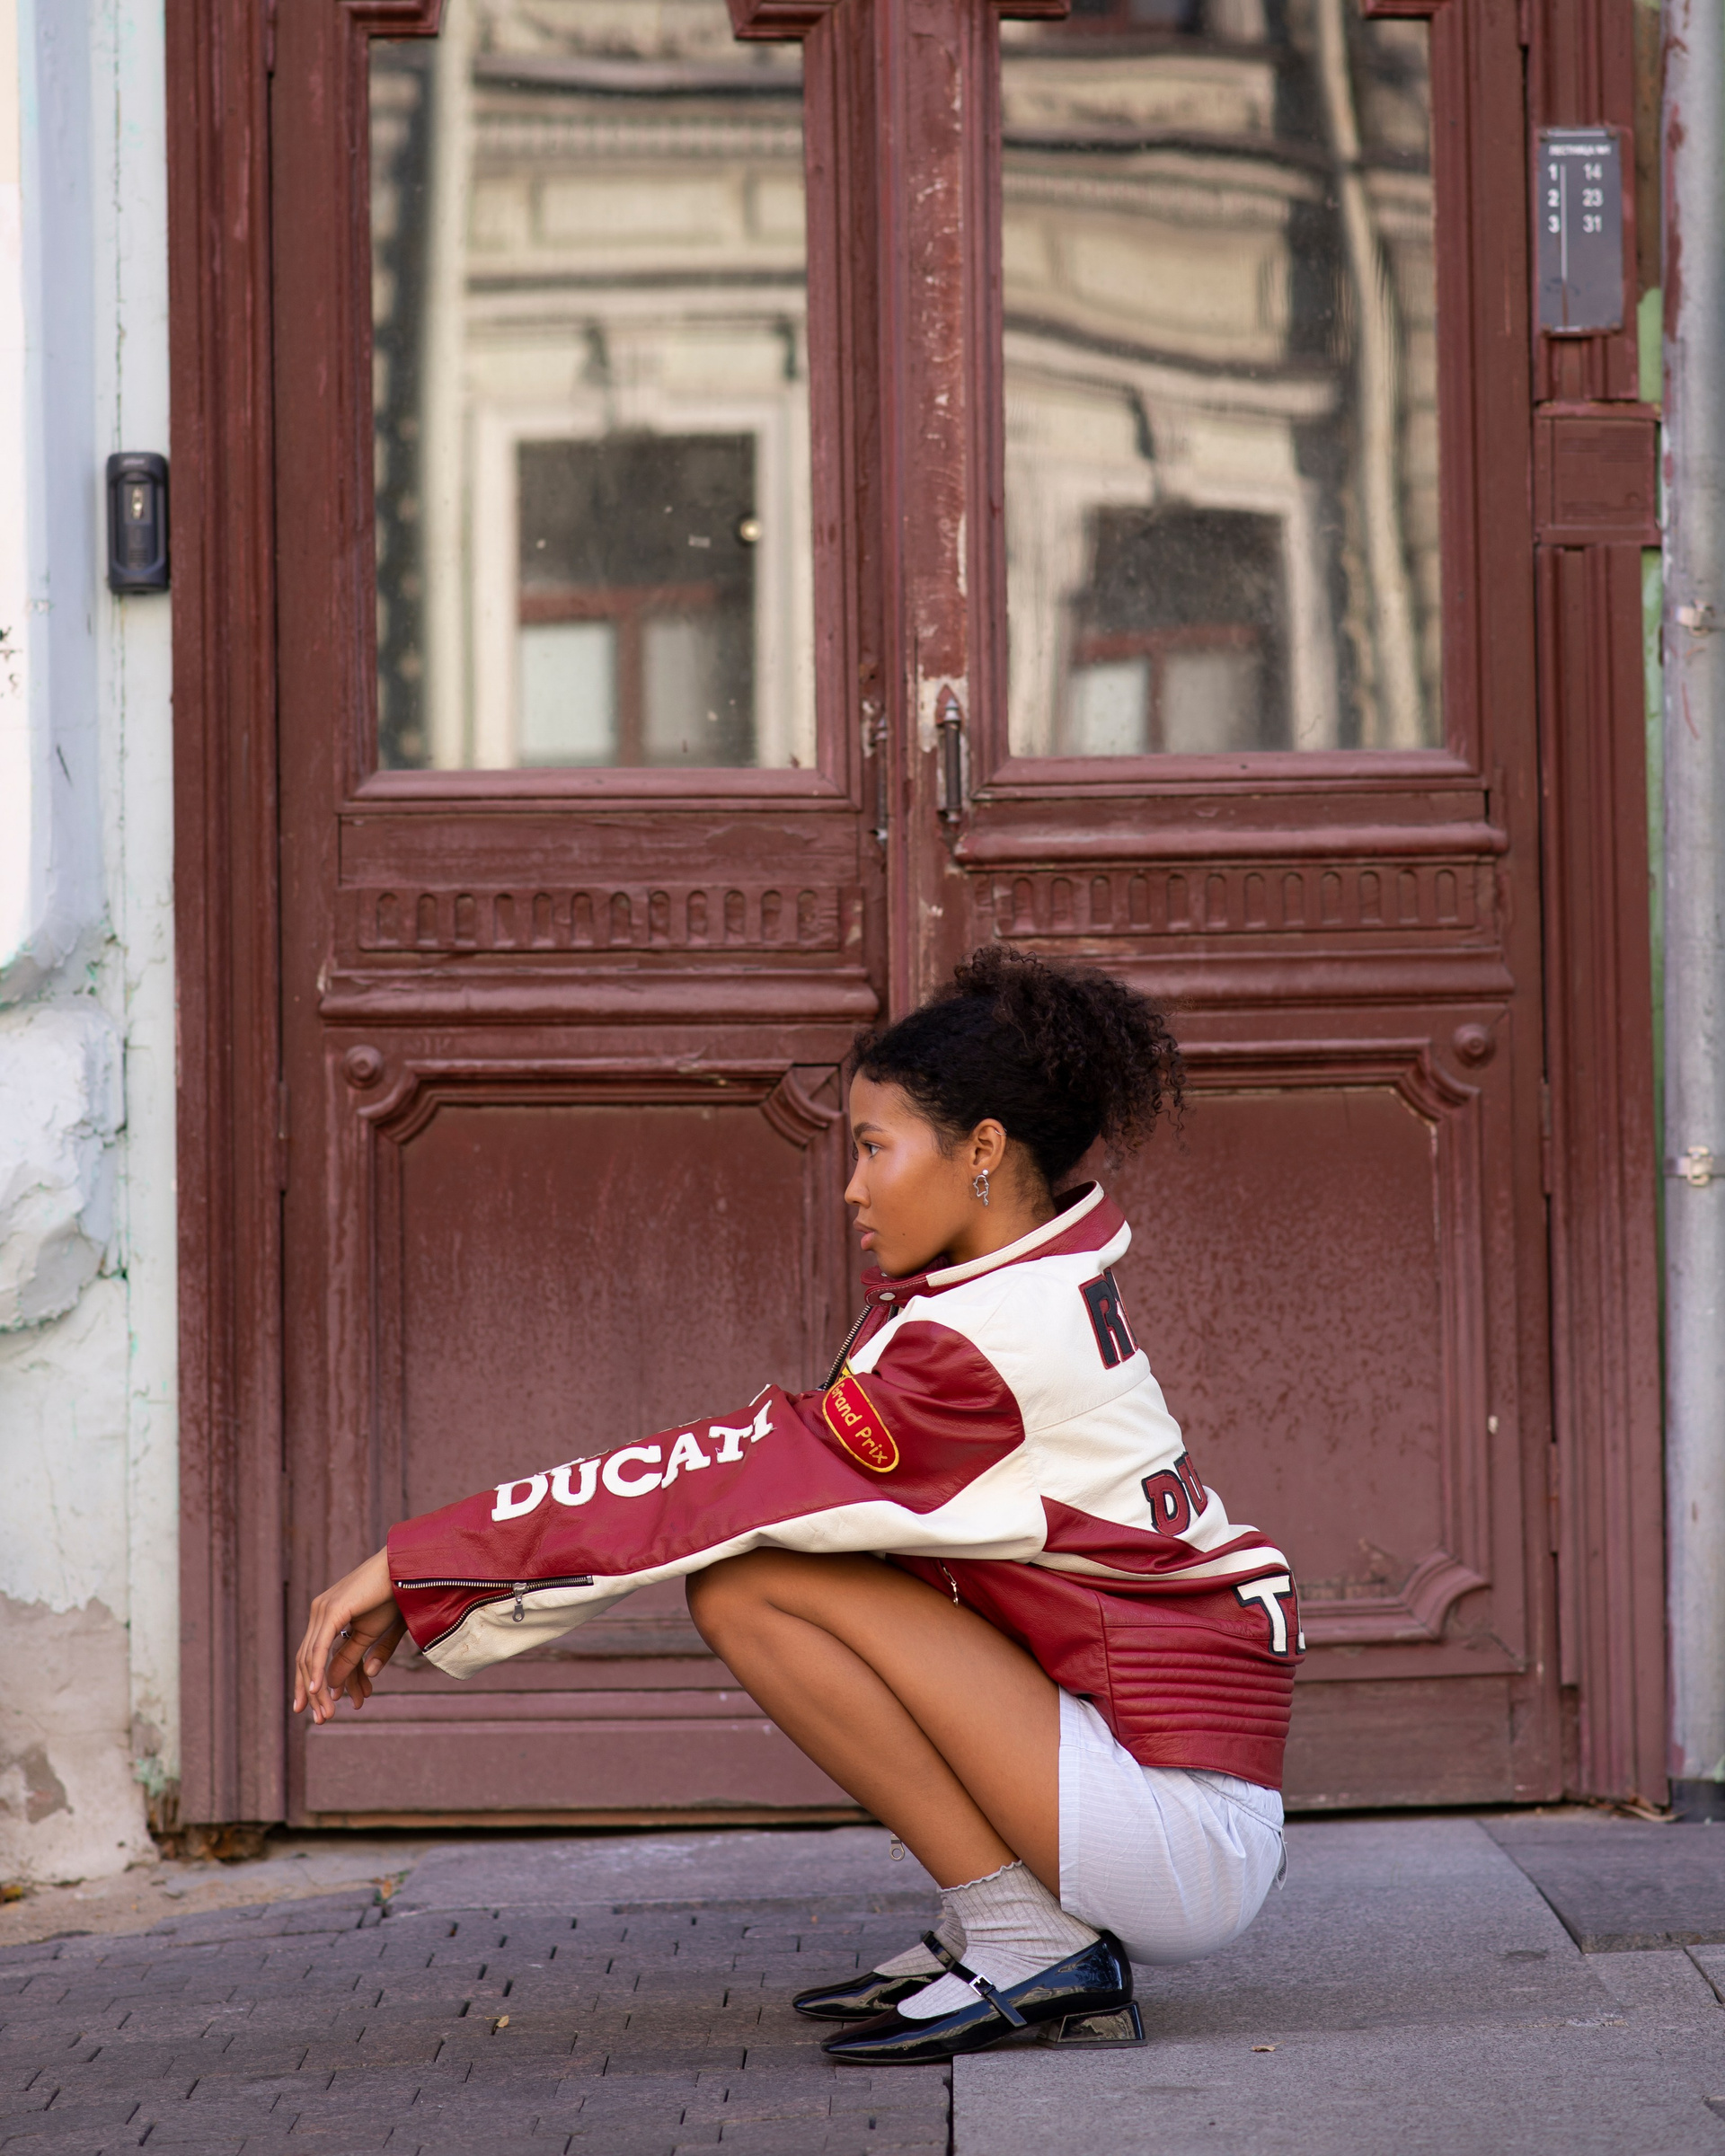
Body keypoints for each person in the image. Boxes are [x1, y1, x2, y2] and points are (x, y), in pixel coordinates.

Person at [293, 946, 1300, 2065]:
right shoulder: (1014, 1288)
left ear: (981, 1151)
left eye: (873, 1147)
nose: (853, 1188)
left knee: (753, 1581)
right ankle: (1008, 1921)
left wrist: (422, 1564)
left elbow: (712, 1479)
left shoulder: (990, 1343)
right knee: (817, 1553)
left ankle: (1032, 1942)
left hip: (1178, 1833)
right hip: (1158, 1791)